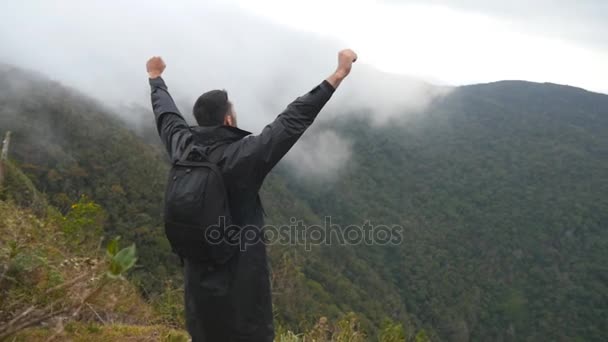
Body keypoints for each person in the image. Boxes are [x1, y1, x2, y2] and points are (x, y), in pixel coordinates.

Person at [146, 49, 357, 342]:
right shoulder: (243, 156)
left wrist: (155, 79)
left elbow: (166, 116)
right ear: (229, 120)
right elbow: (292, 120)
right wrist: (337, 75)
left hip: (197, 290)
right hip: (242, 289)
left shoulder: (182, 147)